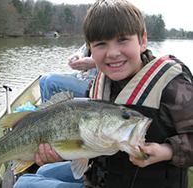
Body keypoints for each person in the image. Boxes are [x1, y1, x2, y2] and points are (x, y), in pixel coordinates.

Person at [15, 0, 193, 187]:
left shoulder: (173, 86)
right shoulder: (98, 84)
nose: (113, 53)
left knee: (23, 184)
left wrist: (167, 151)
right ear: (90, 50)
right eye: (101, 44)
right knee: (42, 170)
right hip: (100, 175)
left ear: (142, 41)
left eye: (122, 40)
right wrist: (62, 151)